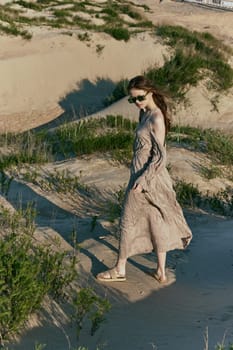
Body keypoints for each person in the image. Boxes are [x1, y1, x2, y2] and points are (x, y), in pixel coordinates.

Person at [96, 75, 192, 284]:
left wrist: (143, 181)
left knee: (127, 220)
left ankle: (120, 268)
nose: (137, 103)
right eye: (132, 100)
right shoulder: (144, 113)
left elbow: (160, 156)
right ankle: (161, 271)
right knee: (155, 220)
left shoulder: (156, 118)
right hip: (141, 174)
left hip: (147, 178)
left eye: (139, 97)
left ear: (150, 92)